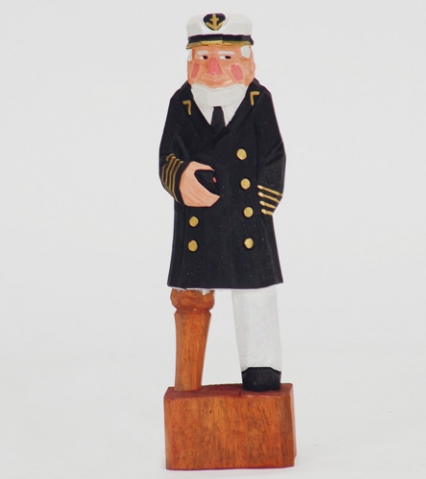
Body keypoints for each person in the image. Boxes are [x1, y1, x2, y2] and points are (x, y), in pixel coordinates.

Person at [159, 13, 286, 392]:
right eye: (203, 58)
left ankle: (261, 368)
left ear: (247, 61)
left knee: (255, 296)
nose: (213, 69)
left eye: (226, 58)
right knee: (191, 298)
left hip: (246, 218)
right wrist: (181, 177)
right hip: (198, 215)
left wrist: (264, 203)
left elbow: (274, 154)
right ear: (190, 62)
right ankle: (188, 380)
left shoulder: (258, 100)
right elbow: (166, 156)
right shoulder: (181, 102)